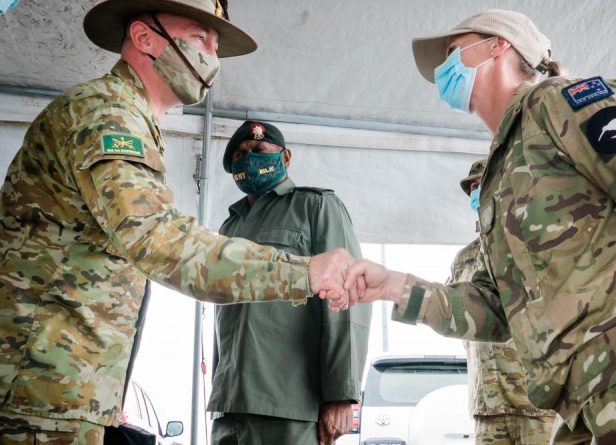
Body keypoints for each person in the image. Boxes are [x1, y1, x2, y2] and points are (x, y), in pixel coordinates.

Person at [333, 9, 616, 444]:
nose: (445, 67)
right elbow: (500, 307)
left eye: (455, 50)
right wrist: (395, 285)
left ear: (498, 47)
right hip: (593, 396)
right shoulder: (503, 166)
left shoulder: (567, 104)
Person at [0, 1, 355, 443]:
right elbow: (161, 241)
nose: (211, 55)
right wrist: (307, 270)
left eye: (216, 44)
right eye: (199, 37)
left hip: (67, 384)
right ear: (145, 38)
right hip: (42, 386)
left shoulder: (131, 120)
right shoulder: (107, 113)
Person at [207, 120, 371, 445]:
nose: (248, 160)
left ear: (286, 157)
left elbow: (347, 297)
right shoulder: (230, 226)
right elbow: (222, 320)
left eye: (258, 150)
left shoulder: (315, 207)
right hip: (231, 405)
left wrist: (341, 394)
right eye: (239, 156)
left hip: (290, 404)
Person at [454, 159, 555, 444]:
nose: (477, 192)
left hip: (534, 401)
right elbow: (460, 323)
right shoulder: (463, 258)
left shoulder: (529, 243)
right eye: (472, 188)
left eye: (481, 185)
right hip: (487, 404)